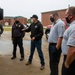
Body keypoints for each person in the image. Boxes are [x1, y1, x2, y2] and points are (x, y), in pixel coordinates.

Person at [62, 6, 75, 75]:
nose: (65, 17)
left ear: (70, 16)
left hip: (71, 61)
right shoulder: (72, 26)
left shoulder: (74, 28)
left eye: (66, 15)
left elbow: (73, 49)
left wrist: (67, 63)